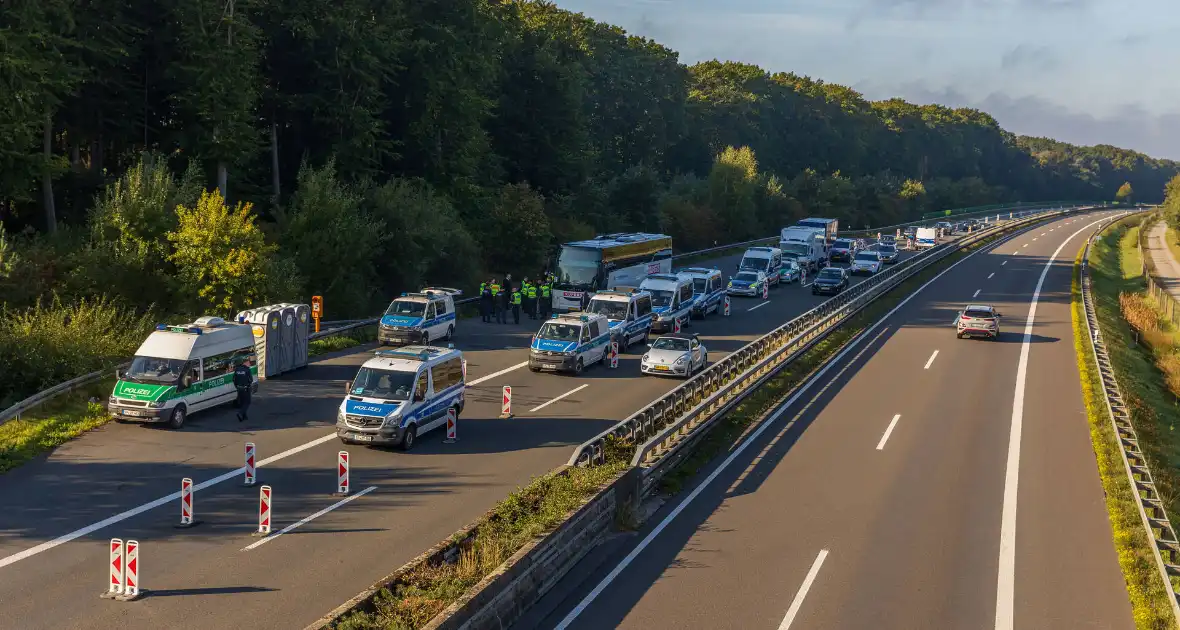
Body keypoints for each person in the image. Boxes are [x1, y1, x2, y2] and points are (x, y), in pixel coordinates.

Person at [233, 358, 254, 422]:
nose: (250, 364)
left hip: (239, 388)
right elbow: (251, 380)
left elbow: (234, 379)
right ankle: (240, 413)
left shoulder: (237, 369)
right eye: (249, 362)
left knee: (242, 402)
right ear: (245, 363)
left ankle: (244, 416)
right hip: (245, 388)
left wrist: (237, 386)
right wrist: (248, 385)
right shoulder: (247, 370)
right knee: (247, 402)